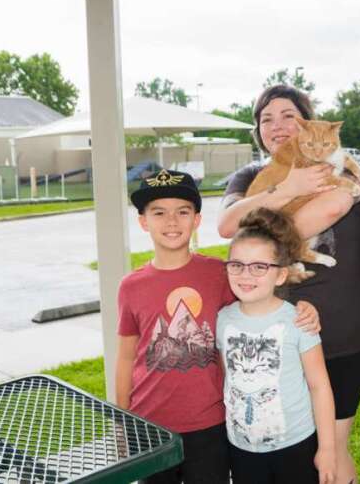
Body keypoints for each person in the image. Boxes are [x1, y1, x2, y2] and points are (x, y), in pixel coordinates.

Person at [116, 169, 319, 484]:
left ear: (196, 220)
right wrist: (121, 420)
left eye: (182, 212)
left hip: (210, 422)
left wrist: (304, 308)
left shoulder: (218, 273)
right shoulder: (130, 286)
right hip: (149, 425)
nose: (171, 221)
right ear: (143, 221)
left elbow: (258, 302)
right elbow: (126, 357)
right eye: (159, 212)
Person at [218, 85, 360, 484]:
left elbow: (334, 204)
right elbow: (227, 227)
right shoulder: (251, 176)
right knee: (296, 446)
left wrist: (266, 228)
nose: (277, 126)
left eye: (289, 115)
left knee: (334, 443)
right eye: (266, 118)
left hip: (343, 326)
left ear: (308, 122)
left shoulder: (343, 168)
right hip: (281, 332)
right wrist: (288, 189)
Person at [217, 207, 336, 484]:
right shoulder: (223, 320)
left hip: (296, 445)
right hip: (242, 448)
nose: (246, 275)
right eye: (237, 265)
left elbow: (319, 386)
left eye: (260, 266)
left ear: (281, 275)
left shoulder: (298, 320)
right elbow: (228, 377)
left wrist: (328, 449)